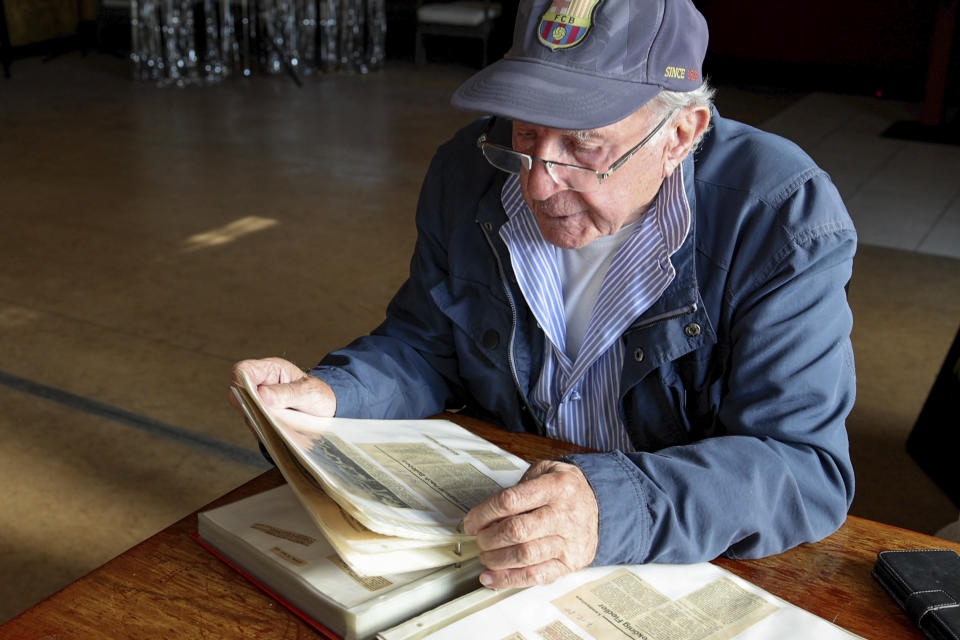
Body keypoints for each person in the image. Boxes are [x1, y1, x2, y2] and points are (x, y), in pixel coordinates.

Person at [232, 0, 857, 591]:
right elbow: (428, 343)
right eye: (526, 133)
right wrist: (335, 393)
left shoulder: (781, 218)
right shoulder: (468, 169)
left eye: (583, 146)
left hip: (670, 557)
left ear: (681, 134)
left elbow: (804, 467)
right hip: (502, 535)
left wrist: (611, 509)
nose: (536, 184)